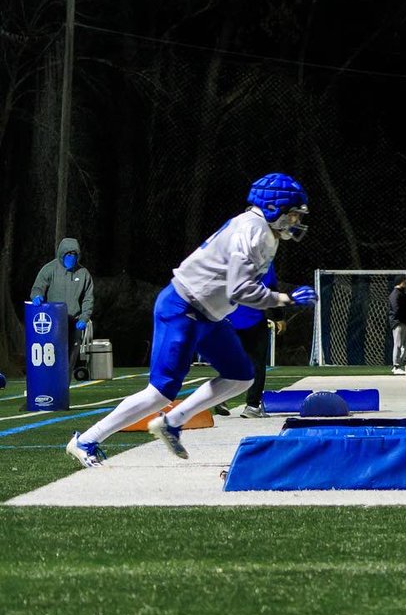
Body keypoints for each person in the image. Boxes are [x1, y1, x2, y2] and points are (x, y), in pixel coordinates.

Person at [65, 173, 317, 467]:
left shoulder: (262, 231)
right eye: (292, 214)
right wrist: (285, 299)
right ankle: (85, 440)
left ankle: (172, 422)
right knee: (160, 393)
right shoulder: (253, 230)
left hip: (208, 315)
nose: (295, 221)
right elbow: (240, 290)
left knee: (241, 376)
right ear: (273, 207)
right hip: (183, 307)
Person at [227, 261, 287, 418]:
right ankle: (252, 406)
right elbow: (271, 290)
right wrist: (278, 317)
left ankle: (220, 397)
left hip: (227, 315)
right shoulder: (264, 259)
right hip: (252, 317)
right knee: (257, 361)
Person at [30, 237, 95, 375]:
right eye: (68, 254)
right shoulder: (49, 269)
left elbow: (88, 298)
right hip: (54, 320)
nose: (71, 257)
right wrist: (36, 296)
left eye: (74, 254)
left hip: (75, 321)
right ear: (62, 254)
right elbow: (38, 287)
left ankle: (65, 382)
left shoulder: (83, 273)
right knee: (54, 353)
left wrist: (84, 317)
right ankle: (51, 380)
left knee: (71, 354)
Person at [388, 276, 406, 375]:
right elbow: (396, 309)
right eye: (405, 281)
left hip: (405, 323)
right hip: (398, 322)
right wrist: (402, 319)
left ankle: (399, 362)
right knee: (398, 344)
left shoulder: (403, 294)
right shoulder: (395, 294)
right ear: (400, 282)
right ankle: (396, 366)